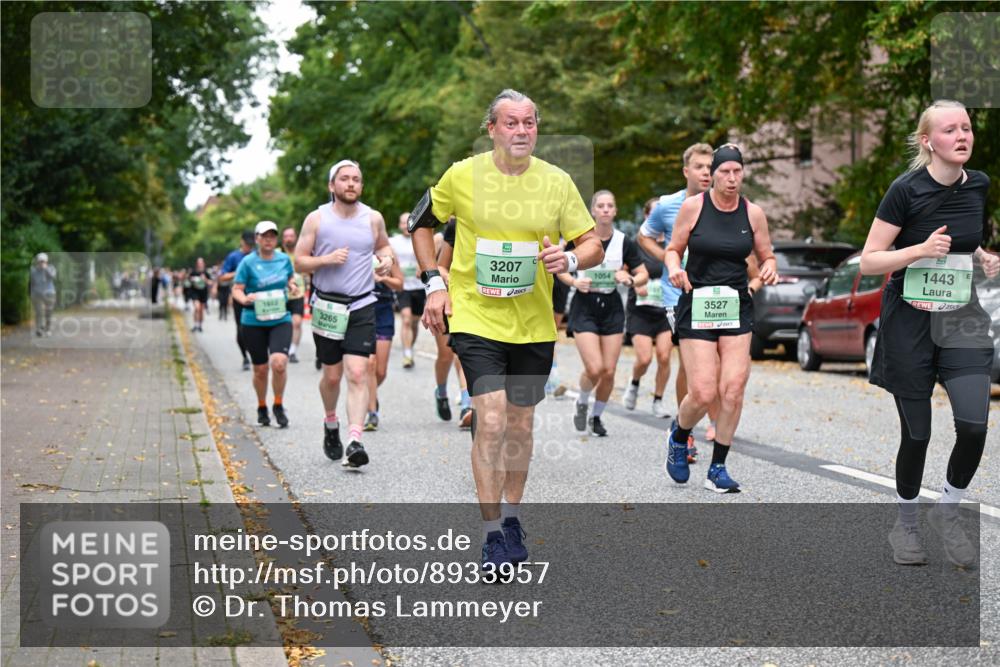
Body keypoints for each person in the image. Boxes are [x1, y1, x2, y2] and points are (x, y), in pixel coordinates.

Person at [409, 89, 603, 571]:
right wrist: (435, 281)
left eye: (530, 123)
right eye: (511, 123)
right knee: (491, 419)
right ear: (492, 129)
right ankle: (492, 532)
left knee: (519, 423)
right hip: (475, 315)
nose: (521, 131)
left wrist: (572, 257)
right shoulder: (463, 174)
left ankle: (512, 516)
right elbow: (419, 223)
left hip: (534, 322)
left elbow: (592, 244)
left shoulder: (557, 182)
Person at [860, 100, 997, 567]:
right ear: (927, 141)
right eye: (950, 130)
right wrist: (917, 249)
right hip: (910, 321)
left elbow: (965, 238)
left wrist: (981, 256)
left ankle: (948, 510)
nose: (962, 136)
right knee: (917, 435)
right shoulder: (905, 190)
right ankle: (907, 524)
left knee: (975, 425)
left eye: (967, 128)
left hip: (960, 316)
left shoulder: (978, 184)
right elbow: (870, 259)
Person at [664, 143, 779, 493]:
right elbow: (673, 250)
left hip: (735, 305)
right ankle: (679, 436)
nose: (731, 178)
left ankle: (718, 467)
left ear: (743, 173)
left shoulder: (753, 213)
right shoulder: (693, 208)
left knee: (732, 390)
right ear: (712, 174)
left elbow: (766, 255)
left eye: (737, 172)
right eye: (724, 172)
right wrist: (673, 270)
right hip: (697, 302)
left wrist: (768, 270)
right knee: (701, 391)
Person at [294, 160, 394, 469]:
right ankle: (330, 422)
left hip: (362, 304)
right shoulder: (317, 219)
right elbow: (299, 262)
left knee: (358, 373)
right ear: (332, 186)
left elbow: (384, 247)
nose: (351, 184)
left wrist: (387, 261)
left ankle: (354, 440)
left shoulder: (373, 218)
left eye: (356, 180)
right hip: (327, 306)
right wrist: (325, 260)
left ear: (361, 187)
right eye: (344, 179)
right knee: (332, 376)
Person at [638, 142, 715, 461]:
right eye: (700, 167)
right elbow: (644, 235)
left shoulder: (724, 203)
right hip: (678, 297)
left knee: (716, 364)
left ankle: (708, 420)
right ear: (686, 171)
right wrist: (670, 263)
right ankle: (687, 431)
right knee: (691, 361)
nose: (706, 173)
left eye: (710, 167)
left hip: (714, 294)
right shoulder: (669, 205)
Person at [560, 189, 648, 437]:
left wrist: (629, 279)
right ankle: (582, 400)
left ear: (615, 211)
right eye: (601, 206)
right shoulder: (579, 239)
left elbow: (642, 275)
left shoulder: (624, 242)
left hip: (611, 307)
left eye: (610, 205)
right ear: (593, 211)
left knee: (609, 370)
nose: (606, 209)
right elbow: (559, 268)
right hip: (584, 305)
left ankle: (596, 416)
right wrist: (574, 282)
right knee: (595, 367)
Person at [232, 221, 302, 429]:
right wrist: (244, 299)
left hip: (280, 318)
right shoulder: (247, 263)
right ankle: (262, 406)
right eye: (265, 236)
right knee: (260, 369)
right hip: (253, 321)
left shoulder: (283, 260)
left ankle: (278, 405)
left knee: (279, 363)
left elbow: (290, 280)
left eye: (273, 235)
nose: (269, 239)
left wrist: (292, 286)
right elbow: (237, 289)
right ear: (257, 239)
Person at [623, 198, 674, 417]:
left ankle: (658, 401)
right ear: (646, 217)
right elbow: (622, 271)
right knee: (644, 358)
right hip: (640, 310)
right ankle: (634, 384)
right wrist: (634, 282)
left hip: (664, 310)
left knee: (664, 357)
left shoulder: (673, 243)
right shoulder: (637, 244)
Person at [437, 217, 473, 428]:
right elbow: (438, 268)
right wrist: (450, 280)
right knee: (447, 355)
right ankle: (442, 393)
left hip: (492, 303)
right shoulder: (454, 227)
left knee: (462, 355)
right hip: (452, 299)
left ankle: (468, 405)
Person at [365, 243, 404, 431]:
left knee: (380, 371)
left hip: (383, 311)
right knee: (369, 364)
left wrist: (382, 278)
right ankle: (372, 413)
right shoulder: (357, 251)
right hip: (363, 310)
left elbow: (400, 283)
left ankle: (367, 394)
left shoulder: (388, 254)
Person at [389, 213, 425, 369]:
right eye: (403, 223)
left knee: (415, 322)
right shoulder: (393, 242)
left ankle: (409, 346)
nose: (405, 226)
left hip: (419, 286)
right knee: (406, 318)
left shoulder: (421, 239)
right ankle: (407, 354)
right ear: (399, 225)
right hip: (402, 286)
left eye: (408, 222)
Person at [219, 231, 256, 370]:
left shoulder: (257, 255)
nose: (249, 247)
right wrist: (240, 271)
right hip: (239, 297)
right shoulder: (234, 257)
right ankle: (245, 357)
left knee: (256, 329)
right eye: (247, 244)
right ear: (241, 242)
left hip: (256, 297)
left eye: (251, 245)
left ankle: (257, 356)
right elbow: (222, 277)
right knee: (241, 330)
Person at [282, 226, 307, 363]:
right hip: (282, 294)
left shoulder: (302, 253)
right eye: (286, 236)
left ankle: (292, 351)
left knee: (296, 322)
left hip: (298, 293)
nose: (289, 239)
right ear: (282, 239)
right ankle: (282, 347)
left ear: (296, 237)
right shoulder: (278, 254)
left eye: (291, 236)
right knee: (284, 324)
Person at [30, 253, 57, 336]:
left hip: (49, 293)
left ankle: (48, 329)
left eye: (43, 261)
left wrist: (46, 269)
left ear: (46, 261)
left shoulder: (51, 268)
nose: (41, 263)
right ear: (37, 261)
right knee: (38, 312)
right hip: (37, 293)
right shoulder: (33, 270)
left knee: (49, 312)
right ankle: (39, 329)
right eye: (40, 261)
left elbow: (53, 277)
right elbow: (32, 282)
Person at [188, 257, 211, 332]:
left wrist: (205, 279)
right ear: (196, 264)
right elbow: (188, 281)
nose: (200, 264)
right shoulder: (193, 272)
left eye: (201, 263)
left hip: (203, 293)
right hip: (195, 292)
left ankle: (200, 325)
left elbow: (211, 282)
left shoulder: (206, 272)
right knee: (197, 308)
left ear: (203, 264)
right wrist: (192, 280)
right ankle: (195, 325)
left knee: (201, 310)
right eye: (198, 263)